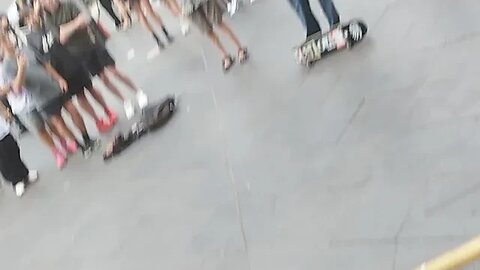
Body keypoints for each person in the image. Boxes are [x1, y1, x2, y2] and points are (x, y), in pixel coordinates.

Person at [40, 0, 148, 119]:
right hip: (78, 53)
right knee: (103, 79)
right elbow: (61, 38)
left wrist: (66, 28)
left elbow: (84, 21)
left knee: (113, 71)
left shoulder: (68, 5)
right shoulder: (48, 19)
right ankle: (125, 102)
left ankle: (138, 92)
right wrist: (74, 23)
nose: (48, 1)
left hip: (92, 42)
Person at [23, 8, 114, 134]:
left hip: (70, 59)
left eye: (32, 14)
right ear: (25, 22)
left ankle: (107, 111)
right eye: (28, 18)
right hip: (59, 70)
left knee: (91, 88)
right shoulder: (30, 39)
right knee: (80, 96)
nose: (32, 18)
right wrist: (56, 78)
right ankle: (98, 120)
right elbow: (42, 62)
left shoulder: (47, 22)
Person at [0, 33, 86, 158]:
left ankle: (69, 141)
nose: (9, 41)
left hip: (45, 91)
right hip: (26, 102)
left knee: (56, 120)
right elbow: (14, 88)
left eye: (8, 38)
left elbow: (44, 64)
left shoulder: (23, 50)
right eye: (5, 41)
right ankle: (60, 150)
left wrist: (58, 78)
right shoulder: (6, 67)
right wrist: (20, 70)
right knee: (42, 127)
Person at [181, 0, 248, 71]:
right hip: (187, 7)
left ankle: (240, 49)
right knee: (207, 31)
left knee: (219, 23)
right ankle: (225, 56)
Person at [0, 98, 38, 197]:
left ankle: (24, 173)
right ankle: (15, 181)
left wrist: (5, 112)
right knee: (3, 159)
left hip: (2, 129)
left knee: (13, 150)